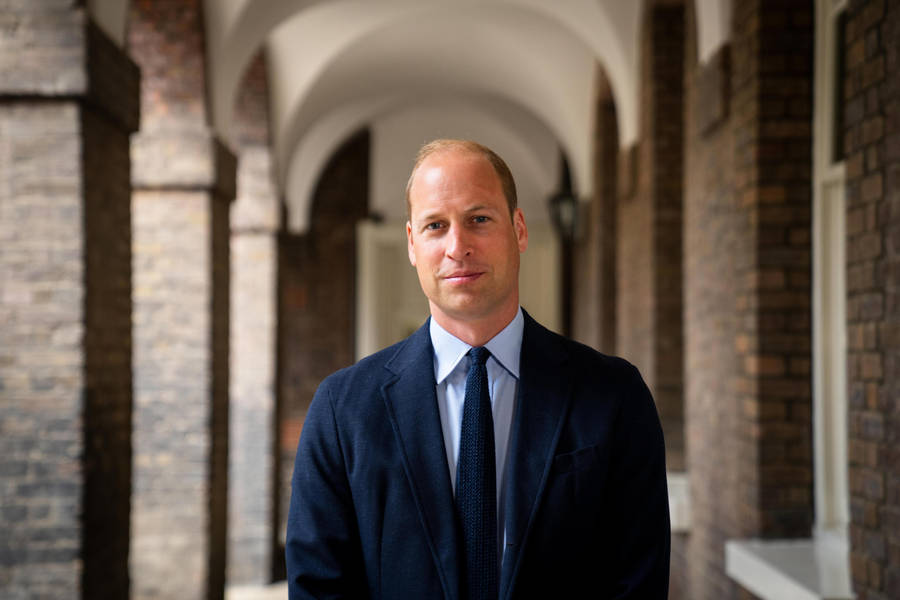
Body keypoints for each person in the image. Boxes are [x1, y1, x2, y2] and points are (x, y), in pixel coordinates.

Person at [286, 139, 670, 599]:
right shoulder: (341, 409)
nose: (457, 246)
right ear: (412, 244)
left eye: (479, 219)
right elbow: (318, 588)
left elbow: (637, 581)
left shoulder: (614, 395)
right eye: (435, 226)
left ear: (520, 229)